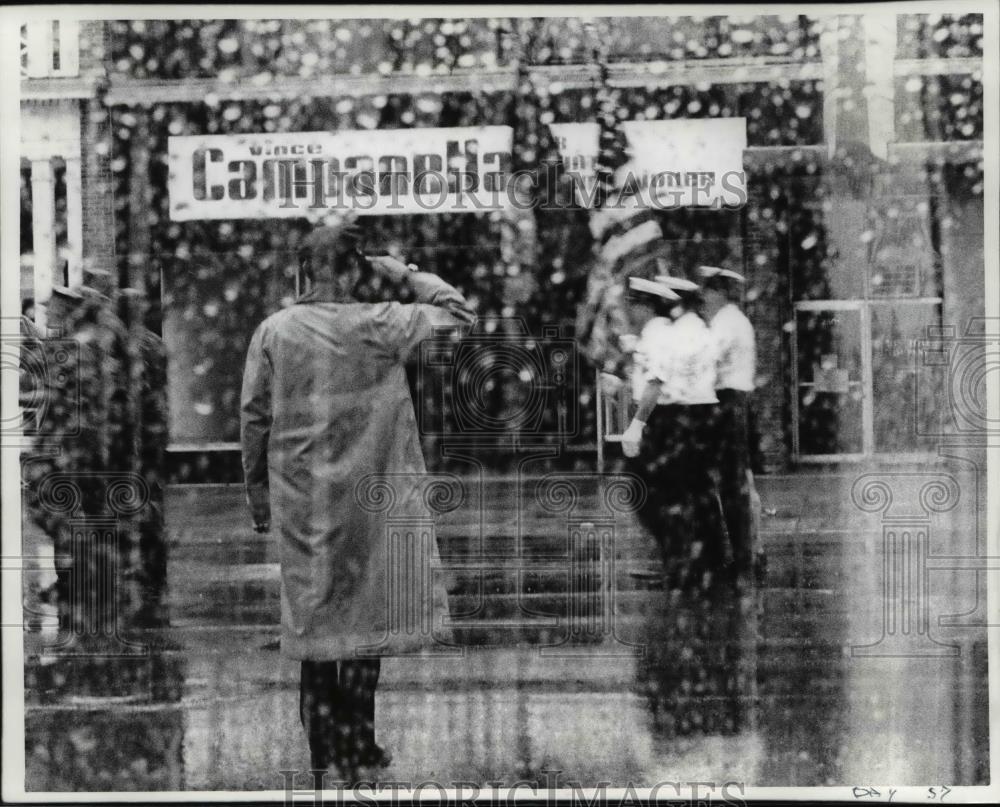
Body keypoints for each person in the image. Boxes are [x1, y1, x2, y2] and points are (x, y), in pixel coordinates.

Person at [240, 214, 475, 781]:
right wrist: (405, 271)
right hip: (374, 498)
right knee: (366, 621)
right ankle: (360, 741)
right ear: (356, 270)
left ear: (303, 270)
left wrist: (258, 495)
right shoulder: (385, 322)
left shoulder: (276, 330)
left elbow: (255, 418)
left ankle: (325, 749)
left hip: (305, 502)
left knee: (314, 622)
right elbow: (461, 315)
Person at [698, 265, 759, 585]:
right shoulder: (735, 320)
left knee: (730, 483)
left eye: (707, 291)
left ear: (718, 292)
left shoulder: (726, 323)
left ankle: (740, 556)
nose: (704, 298)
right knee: (735, 479)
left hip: (727, 400)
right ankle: (744, 553)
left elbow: (707, 358)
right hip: (734, 400)